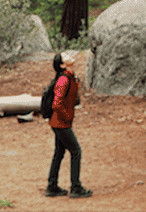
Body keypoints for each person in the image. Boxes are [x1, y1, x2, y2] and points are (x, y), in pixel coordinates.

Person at [45, 52, 93, 199]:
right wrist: (67, 117)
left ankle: (52, 186)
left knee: (59, 153)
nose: (69, 55)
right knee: (76, 151)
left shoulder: (70, 77)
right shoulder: (63, 79)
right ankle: (76, 187)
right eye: (64, 56)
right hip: (60, 123)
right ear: (62, 65)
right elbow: (56, 104)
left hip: (59, 122)